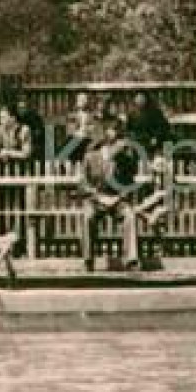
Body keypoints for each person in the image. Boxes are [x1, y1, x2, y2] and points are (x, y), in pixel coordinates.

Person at [78, 116, 144, 271]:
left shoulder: (125, 157)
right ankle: (88, 260)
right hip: (96, 199)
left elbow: (129, 181)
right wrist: (96, 195)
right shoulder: (90, 156)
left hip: (117, 200)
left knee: (129, 215)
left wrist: (120, 196)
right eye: (110, 132)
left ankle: (131, 259)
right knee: (87, 216)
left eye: (116, 133)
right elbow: (83, 183)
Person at [14, 95, 47, 161]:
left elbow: (39, 132)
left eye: (23, 108)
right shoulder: (15, 117)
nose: (21, 110)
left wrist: (28, 136)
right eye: (19, 108)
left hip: (33, 143)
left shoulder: (34, 117)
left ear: (27, 108)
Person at [65, 92, 97, 160]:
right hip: (74, 138)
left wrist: (88, 128)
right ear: (76, 101)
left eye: (84, 99)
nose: (83, 101)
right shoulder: (71, 113)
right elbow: (70, 130)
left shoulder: (90, 114)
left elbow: (93, 128)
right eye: (80, 99)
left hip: (86, 138)